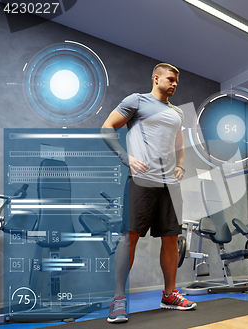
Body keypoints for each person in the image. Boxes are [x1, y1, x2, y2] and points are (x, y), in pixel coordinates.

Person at [102, 63, 196, 323]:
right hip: (142, 180)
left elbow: (179, 144)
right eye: (170, 79)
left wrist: (181, 165)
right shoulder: (137, 101)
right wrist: (126, 157)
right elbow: (107, 127)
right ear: (156, 78)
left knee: (171, 237)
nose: (174, 83)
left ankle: (169, 294)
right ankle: (119, 299)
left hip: (170, 184)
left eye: (177, 80)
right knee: (129, 236)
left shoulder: (177, 112)